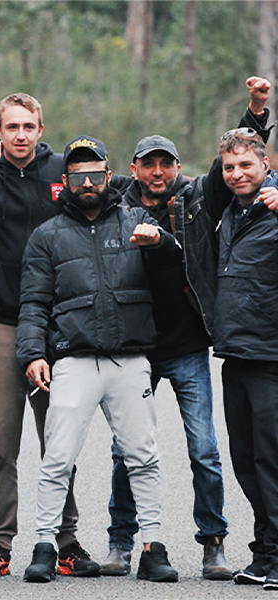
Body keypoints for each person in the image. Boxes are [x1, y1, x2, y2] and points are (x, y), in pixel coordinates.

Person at [101, 77, 272, 580]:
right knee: (125, 451)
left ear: (177, 168)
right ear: (134, 168)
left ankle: (213, 543)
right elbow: (68, 177)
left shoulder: (198, 197)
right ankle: (120, 542)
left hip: (188, 344)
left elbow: (238, 160)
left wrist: (256, 111)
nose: (157, 171)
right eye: (148, 163)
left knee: (205, 451)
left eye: (166, 163)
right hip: (135, 346)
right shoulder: (114, 202)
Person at [17, 135, 182, 584]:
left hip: (130, 360)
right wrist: (33, 354)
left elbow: (174, 265)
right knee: (57, 458)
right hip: (73, 360)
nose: (87, 183)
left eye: (94, 174)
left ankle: (152, 548)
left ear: (110, 175)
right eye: (77, 176)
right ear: (65, 181)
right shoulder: (47, 235)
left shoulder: (137, 220)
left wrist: (159, 243)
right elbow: (33, 303)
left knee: (142, 456)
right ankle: (45, 547)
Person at [0, 94, 116, 577]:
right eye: (11, 127)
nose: (20, 135)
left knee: (59, 442)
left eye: (28, 126)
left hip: (57, 326)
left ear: (40, 129)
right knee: (1, 442)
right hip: (0, 320)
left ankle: (64, 540)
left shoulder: (61, 171)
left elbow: (117, 189)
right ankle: (0, 543)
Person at [210, 128, 278, 591]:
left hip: (271, 355)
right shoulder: (230, 212)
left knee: (272, 461)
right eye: (230, 167)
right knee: (247, 462)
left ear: (265, 164)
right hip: (236, 352)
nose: (237, 174)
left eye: (246, 165)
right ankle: (266, 553)